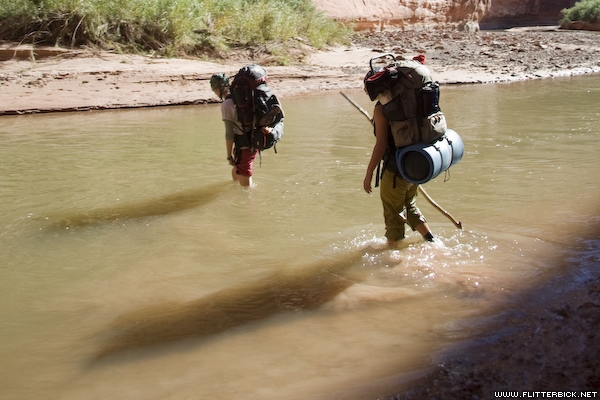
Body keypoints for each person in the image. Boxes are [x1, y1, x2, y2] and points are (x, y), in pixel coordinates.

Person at [362, 56, 435, 246]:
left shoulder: (381, 109)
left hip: (396, 171)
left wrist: (369, 173)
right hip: (415, 166)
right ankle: (432, 242)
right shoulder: (410, 108)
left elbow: (381, 144)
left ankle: (393, 257)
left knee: (392, 214)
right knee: (409, 206)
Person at [210, 67, 283, 188]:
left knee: (245, 179)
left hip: (244, 142)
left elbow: (229, 133)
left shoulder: (227, 104)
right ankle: (234, 187)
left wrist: (229, 156)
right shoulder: (245, 96)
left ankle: (248, 200)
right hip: (255, 135)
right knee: (239, 167)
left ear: (216, 88)